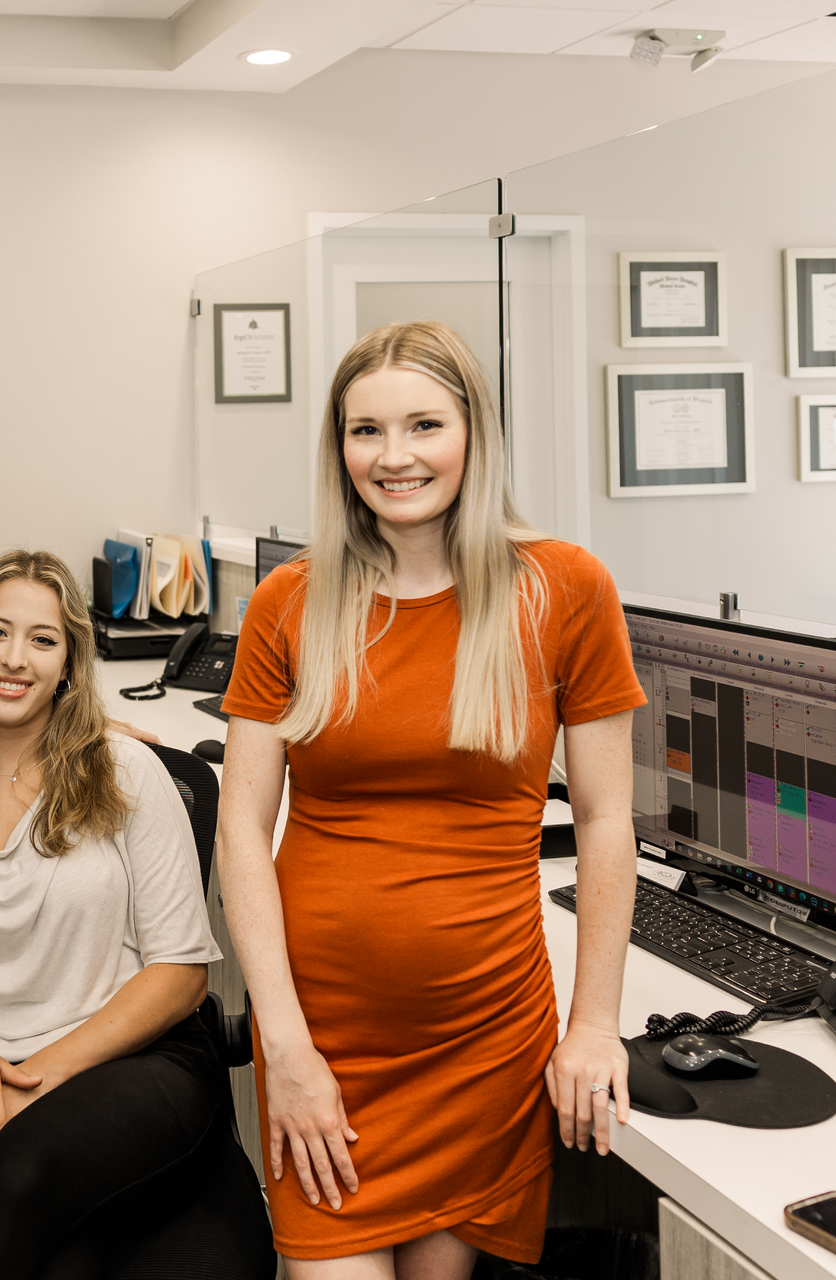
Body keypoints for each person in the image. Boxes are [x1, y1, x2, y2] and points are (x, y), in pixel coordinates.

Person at [216, 320, 648, 1277]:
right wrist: (282, 1046)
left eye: (423, 424)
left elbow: (610, 821)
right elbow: (241, 833)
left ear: (473, 434)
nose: (395, 456)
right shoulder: (289, 600)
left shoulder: (565, 590)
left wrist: (593, 1025)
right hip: (322, 1036)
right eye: (366, 431)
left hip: (481, 1035)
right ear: (339, 449)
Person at [0, 549, 275, 1280]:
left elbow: (179, 977)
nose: (15, 658)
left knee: (25, 1160)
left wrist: (27, 1081)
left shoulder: (127, 773)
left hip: (138, 1071)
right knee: (56, 1256)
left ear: (70, 664)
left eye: (43, 640)